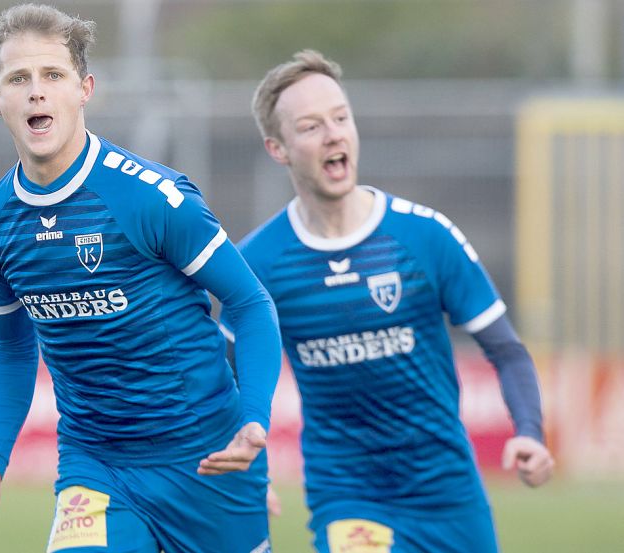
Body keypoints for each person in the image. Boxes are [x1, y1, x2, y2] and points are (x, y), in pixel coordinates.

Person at [0, 4, 281, 552]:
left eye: (53, 75)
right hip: (96, 464)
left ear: (84, 88)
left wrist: (254, 418)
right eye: (18, 78)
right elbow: (13, 351)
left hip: (210, 460)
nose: (37, 92)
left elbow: (250, 303)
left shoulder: (153, 198)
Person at [222, 49, 555, 552]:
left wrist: (528, 429)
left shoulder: (424, 237)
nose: (334, 134)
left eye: (341, 118)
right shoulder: (258, 265)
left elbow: (505, 349)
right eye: (312, 126)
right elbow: (221, 374)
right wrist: (250, 471)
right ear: (278, 148)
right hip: (349, 495)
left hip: (450, 495)